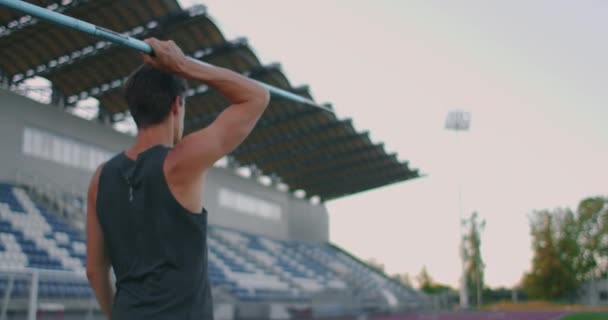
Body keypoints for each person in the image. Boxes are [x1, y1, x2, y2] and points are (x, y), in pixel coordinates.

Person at [85, 38, 270, 319]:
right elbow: (257, 96)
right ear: (176, 105)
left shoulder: (100, 178)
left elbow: (94, 270)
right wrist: (183, 66)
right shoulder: (180, 161)